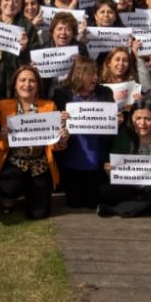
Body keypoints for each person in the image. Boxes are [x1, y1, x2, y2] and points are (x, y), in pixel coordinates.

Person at [0, 66, 67, 219]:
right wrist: (3, 136)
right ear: (15, 85)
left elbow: (54, 145)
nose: (27, 84)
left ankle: (32, 192)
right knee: (10, 186)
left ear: (38, 85)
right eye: (22, 80)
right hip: (14, 162)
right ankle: (8, 197)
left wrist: (62, 138)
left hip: (40, 164)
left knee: (38, 214)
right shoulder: (4, 106)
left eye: (32, 81)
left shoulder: (49, 106)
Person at [53, 57, 116, 209]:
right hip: (71, 159)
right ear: (79, 74)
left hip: (97, 158)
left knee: (92, 203)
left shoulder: (105, 92)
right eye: (91, 73)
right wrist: (59, 119)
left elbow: (111, 123)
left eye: (96, 73)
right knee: (75, 203)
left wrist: (116, 120)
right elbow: (52, 125)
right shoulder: (62, 94)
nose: (95, 77)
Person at [99, 99, 151, 218]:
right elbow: (114, 163)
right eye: (138, 118)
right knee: (106, 190)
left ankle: (118, 210)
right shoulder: (124, 136)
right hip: (129, 186)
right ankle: (141, 206)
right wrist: (110, 169)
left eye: (148, 119)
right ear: (131, 119)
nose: (142, 123)